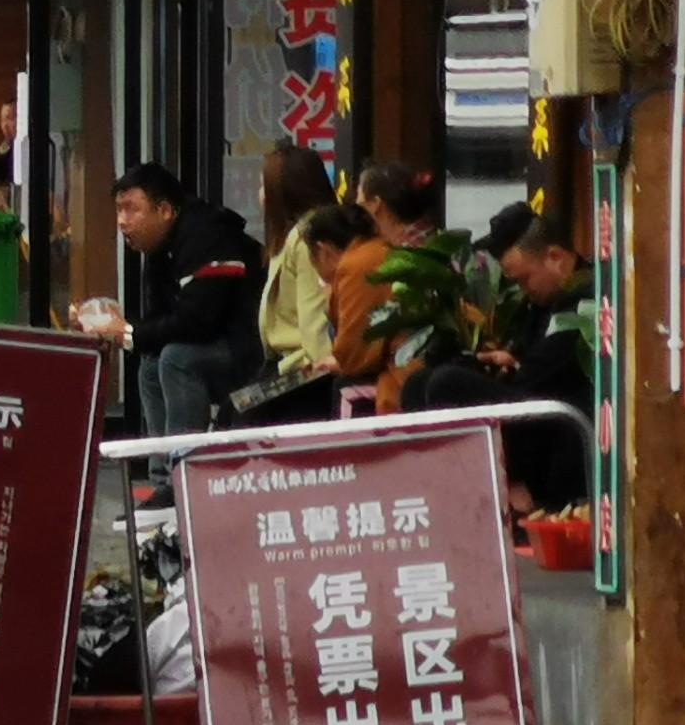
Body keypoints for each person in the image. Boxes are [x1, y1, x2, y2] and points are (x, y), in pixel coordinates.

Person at [411, 216, 595, 510]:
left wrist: (513, 367)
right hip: (535, 407)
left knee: (447, 384)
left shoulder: (586, 302)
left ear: (556, 258)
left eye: (525, 279)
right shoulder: (539, 305)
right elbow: (525, 359)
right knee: (419, 383)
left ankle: (516, 494)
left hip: (561, 425)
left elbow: (538, 375)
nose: (523, 290)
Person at [88, 162, 265, 433]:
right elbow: (159, 318)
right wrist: (119, 331)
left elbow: (198, 321)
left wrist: (127, 331)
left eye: (132, 209)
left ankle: (185, 462)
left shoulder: (206, 237)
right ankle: (162, 473)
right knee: (150, 365)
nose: (123, 221)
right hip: (214, 341)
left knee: (176, 358)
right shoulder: (160, 246)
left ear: (165, 211)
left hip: (248, 347)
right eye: (119, 210)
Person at [328, 160, 443, 415]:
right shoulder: (438, 245)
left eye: (359, 199)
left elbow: (354, 356)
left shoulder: (373, 259)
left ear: (376, 204)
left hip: (404, 389)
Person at [254, 143, 340, 378]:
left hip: (303, 367)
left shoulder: (304, 238)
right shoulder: (291, 235)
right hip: (286, 362)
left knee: (242, 414)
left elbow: (314, 316)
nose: (260, 193)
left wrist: (323, 367)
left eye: (264, 185)